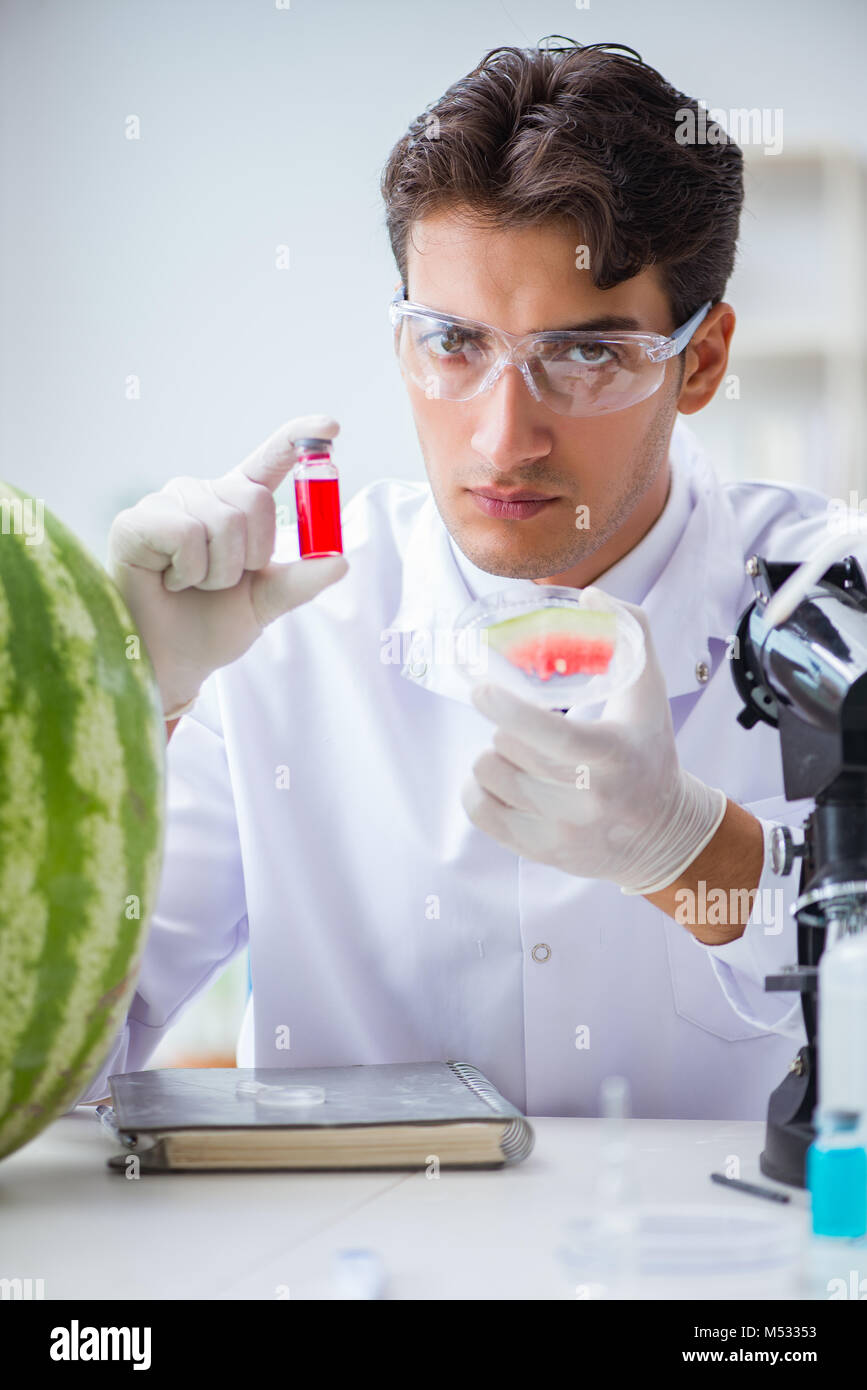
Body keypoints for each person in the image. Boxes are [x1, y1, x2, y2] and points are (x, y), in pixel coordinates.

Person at [77, 39, 839, 1119]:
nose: (503, 434)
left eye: (583, 356)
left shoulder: (829, 596)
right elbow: (46, 1076)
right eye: (453, 342)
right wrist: (123, 713)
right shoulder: (277, 622)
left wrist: (692, 850)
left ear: (702, 360)